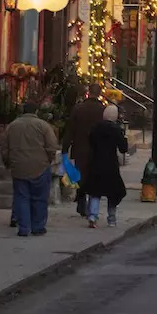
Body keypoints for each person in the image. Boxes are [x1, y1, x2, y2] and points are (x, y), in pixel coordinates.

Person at [0, 109, 59, 237]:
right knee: (40, 198)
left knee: (21, 197)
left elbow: (4, 146)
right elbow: (52, 145)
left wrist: (8, 162)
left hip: (19, 166)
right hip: (40, 166)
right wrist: (48, 159)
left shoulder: (12, 126)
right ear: (36, 111)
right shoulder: (43, 126)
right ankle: (38, 227)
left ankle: (24, 228)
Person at [81, 113, 131, 227]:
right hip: (111, 164)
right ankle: (111, 218)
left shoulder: (95, 128)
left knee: (95, 191)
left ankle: (93, 216)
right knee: (113, 192)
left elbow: (90, 143)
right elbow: (123, 149)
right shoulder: (116, 130)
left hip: (96, 162)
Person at [66, 86, 107, 217]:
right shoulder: (103, 110)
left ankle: (81, 200)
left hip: (80, 148)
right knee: (94, 176)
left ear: (88, 93)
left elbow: (70, 129)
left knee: (81, 175)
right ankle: (91, 205)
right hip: (97, 149)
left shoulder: (78, 109)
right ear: (100, 93)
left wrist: (65, 147)